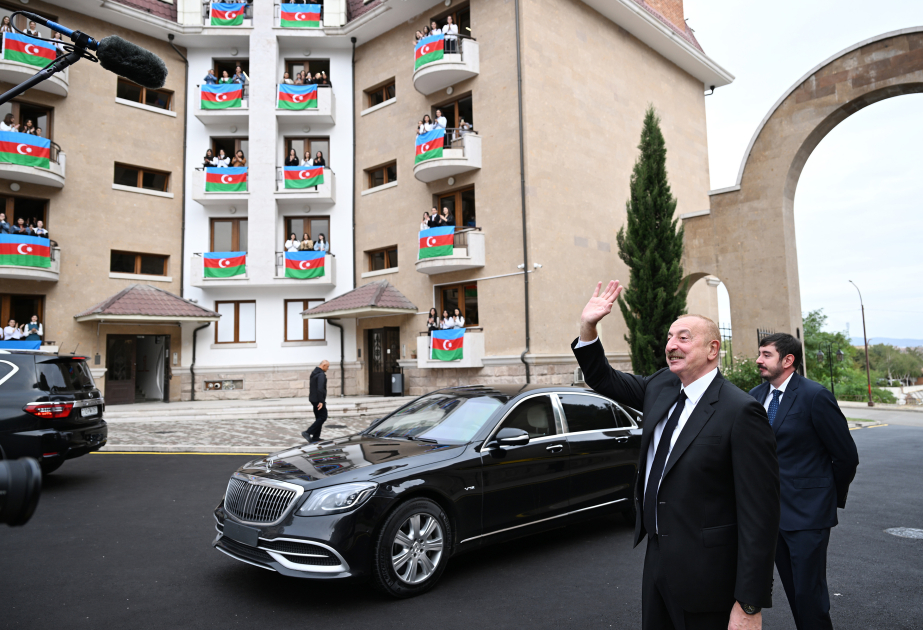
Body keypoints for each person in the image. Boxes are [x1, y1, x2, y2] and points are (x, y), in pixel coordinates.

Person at [573, 280, 780, 630]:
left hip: (708, 576)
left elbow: (760, 515)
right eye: (669, 338)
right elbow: (602, 378)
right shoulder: (660, 387)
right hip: (657, 560)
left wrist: (749, 603)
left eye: (684, 338)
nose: (671, 345)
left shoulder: (740, 411)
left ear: (713, 349)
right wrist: (589, 326)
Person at [750, 333, 859, 630]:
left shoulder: (815, 395)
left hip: (808, 515)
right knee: (793, 591)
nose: (759, 360)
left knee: (809, 593)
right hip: (769, 516)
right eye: (759, 354)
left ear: (788, 360)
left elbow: (846, 456)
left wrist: (823, 497)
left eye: (766, 354)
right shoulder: (755, 396)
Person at [303, 360, 329, 443]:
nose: (328, 368)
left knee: (319, 418)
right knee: (323, 416)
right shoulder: (321, 375)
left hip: (313, 399)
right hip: (318, 400)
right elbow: (320, 388)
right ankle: (307, 432)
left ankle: (315, 437)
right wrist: (321, 401)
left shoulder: (314, 372)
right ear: (324, 365)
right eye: (327, 366)